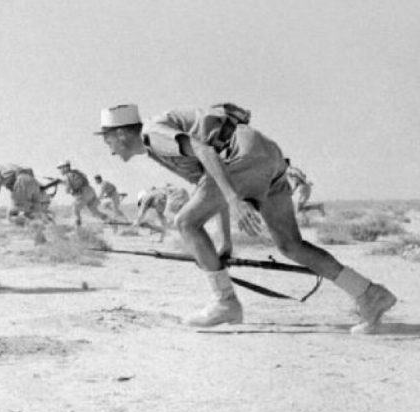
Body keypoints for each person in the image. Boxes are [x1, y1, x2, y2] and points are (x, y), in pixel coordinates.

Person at [94, 103, 396, 333]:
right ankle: (369, 293)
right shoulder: (158, 141)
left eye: (107, 140)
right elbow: (212, 178)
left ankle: (225, 302)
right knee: (291, 246)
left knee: (184, 222)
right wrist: (225, 240)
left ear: (121, 134)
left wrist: (234, 198)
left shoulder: (152, 134)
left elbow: (203, 150)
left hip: (246, 159)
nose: (108, 149)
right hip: (268, 157)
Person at [0, 158, 45, 225]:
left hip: (22, 183)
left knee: (11, 215)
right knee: (30, 212)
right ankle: (41, 223)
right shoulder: (6, 166)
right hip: (32, 182)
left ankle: (34, 224)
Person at [56, 160, 111, 227]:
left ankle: (78, 226)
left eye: (60, 168)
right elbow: (78, 181)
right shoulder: (76, 172)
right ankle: (108, 219)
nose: (60, 170)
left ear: (65, 167)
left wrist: (62, 185)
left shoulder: (67, 175)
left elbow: (67, 190)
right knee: (93, 210)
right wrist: (63, 183)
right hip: (90, 191)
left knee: (75, 208)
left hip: (83, 193)